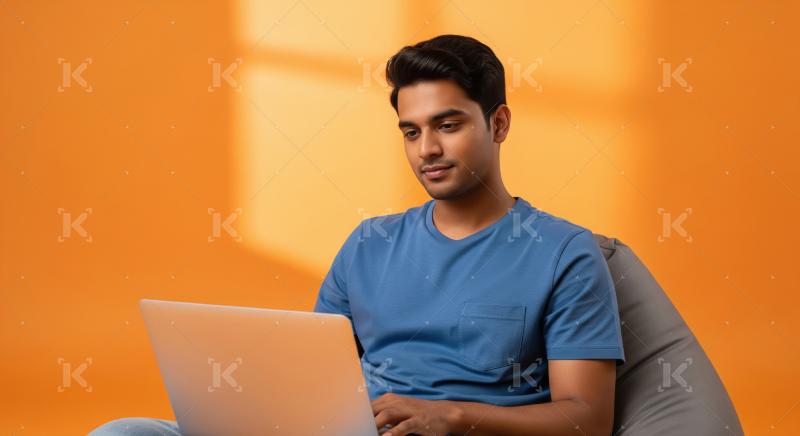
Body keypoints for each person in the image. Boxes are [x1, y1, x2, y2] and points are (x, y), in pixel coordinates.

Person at [91, 34, 624, 436]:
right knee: (125, 432)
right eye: (411, 132)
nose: (427, 150)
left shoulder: (565, 253)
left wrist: (451, 417)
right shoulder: (369, 243)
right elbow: (312, 378)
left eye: (448, 125)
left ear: (499, 123)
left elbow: (588, 418)